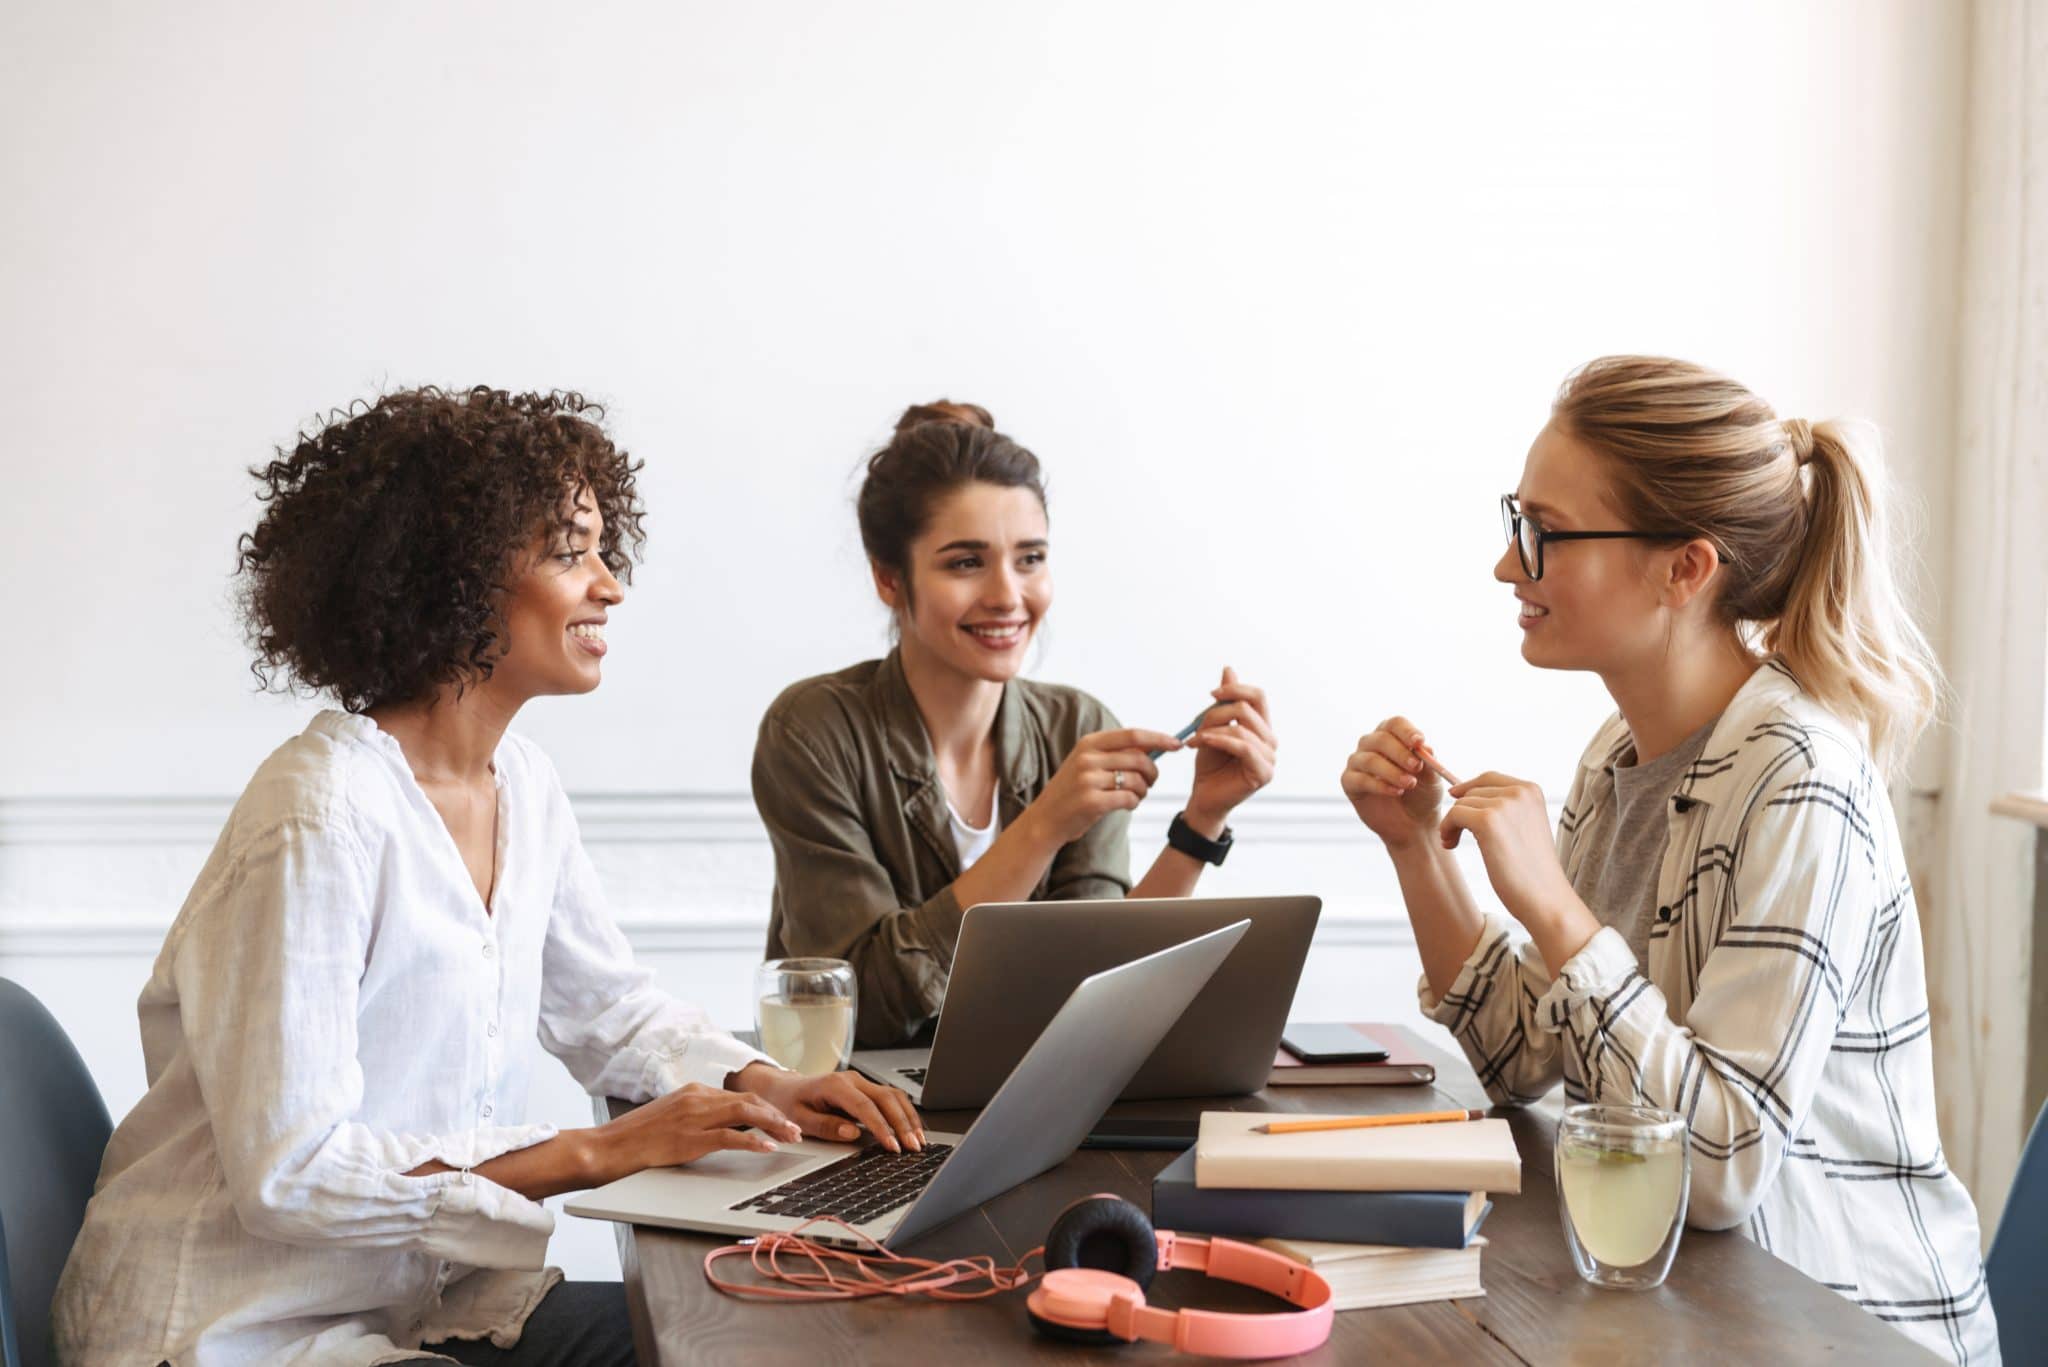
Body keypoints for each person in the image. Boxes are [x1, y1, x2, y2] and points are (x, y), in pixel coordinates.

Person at [52, 387, 919, 1367]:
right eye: (569, 551)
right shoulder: (318, 815)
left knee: (747, 1339)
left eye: (604, 549)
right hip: (227, 1330)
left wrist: (768, 1082)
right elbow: (290, 1172)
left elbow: (610, 1009)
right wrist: (597, 1151)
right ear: (450, 579)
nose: (609, 585)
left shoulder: (523, 783)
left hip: (413, 1299)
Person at [1340, 356, 1997, 1364]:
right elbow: (1529, 1061)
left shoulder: (1799, 779)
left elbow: (1722, 1161)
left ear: (1682, 568)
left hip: (1836, 1325)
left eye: (1541, 533)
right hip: (1679, 1306)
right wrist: (1414, 850)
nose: (1506, 567)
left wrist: (1556, 911)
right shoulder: (1619, 753)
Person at [754, 401, 1279, 1047]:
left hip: (1033, 1097)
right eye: (965, 562)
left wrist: (1202, 822)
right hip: (864, 1107)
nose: (1008, 595)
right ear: (890, 579)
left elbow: (1103, 976)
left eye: (1029, 558)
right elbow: (864, 1004)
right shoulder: (814, 732)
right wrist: (1043, 825)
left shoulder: (1076, 726)